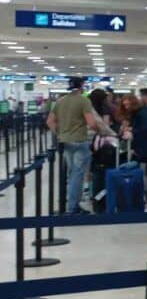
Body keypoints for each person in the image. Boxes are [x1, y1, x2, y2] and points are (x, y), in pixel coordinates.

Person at [47, 76, 98, 214]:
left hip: (65, 141)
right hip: (79, 141)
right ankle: (73, 207)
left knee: (71, 173)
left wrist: (59, 134)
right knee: (77, 174)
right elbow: (92, 122)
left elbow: (50, 121)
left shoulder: (60, 101)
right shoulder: (83, 100)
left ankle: (70, 202)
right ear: (81, 86)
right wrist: (100, 131)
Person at [117, 94, 147, 208]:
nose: (127, 107)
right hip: (143, 146)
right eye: (125, 105)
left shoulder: (141, 112)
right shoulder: (140, 112)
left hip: (146, 147)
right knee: (143, 173)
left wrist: (133, 132)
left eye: (128, 104)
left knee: (142, 172)